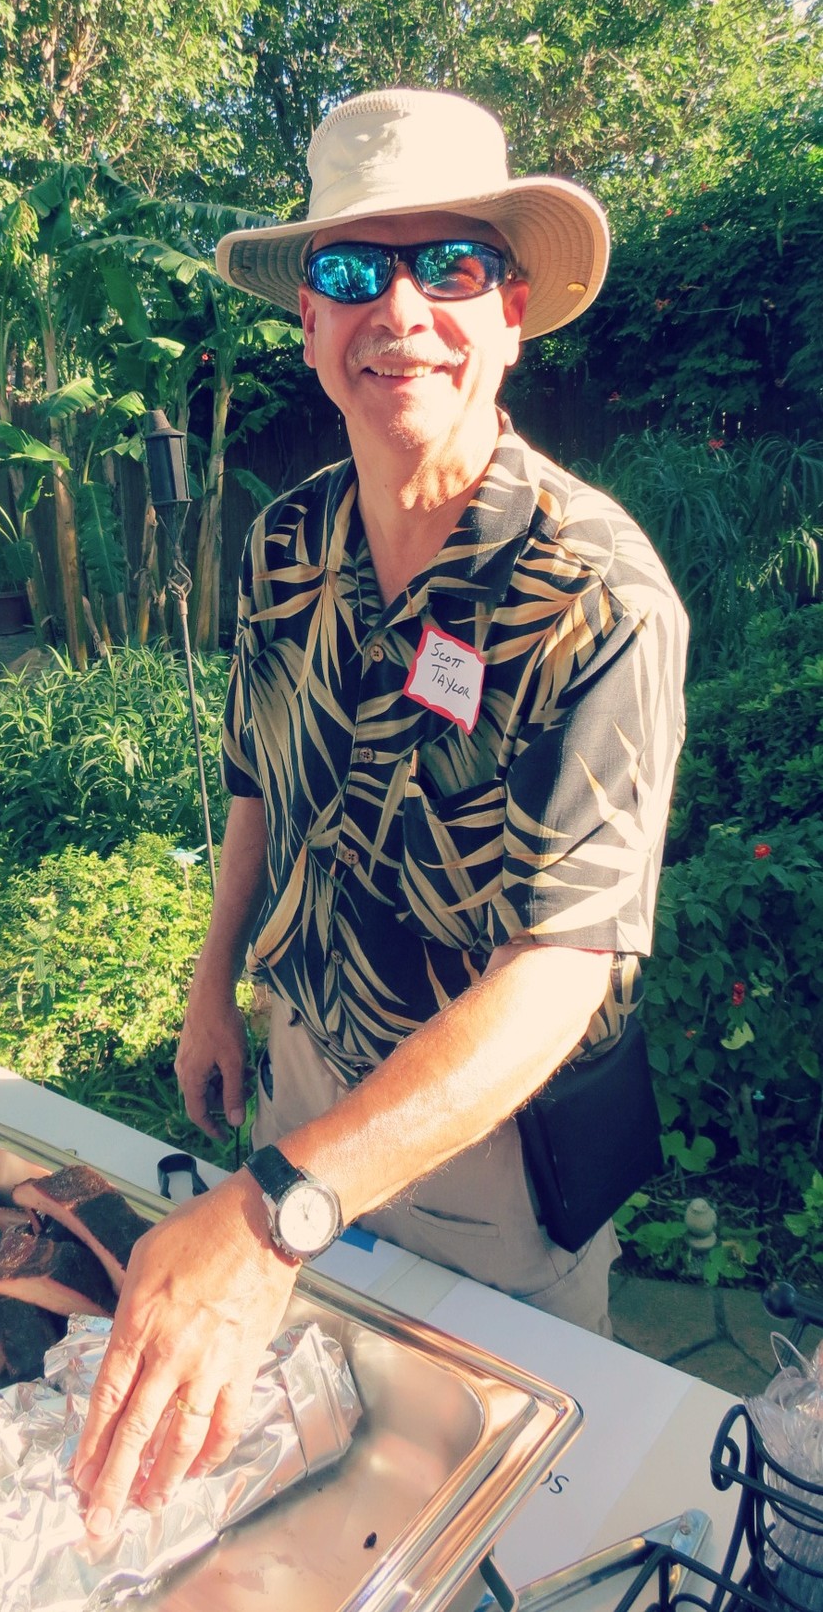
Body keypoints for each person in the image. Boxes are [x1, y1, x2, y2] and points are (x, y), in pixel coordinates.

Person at [74, 87, 688, 1537]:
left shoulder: (600, 595)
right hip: (302, 1082)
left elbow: (564, 969)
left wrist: (273, 1209)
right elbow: (256, 773)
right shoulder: (288, 538)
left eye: (450, 266)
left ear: (512, 313)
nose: (399, 309)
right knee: (303, 1488)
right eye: (353, 270)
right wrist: (213, 985)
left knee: (502, 1514)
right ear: (310, 323)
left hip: (491, 1159)